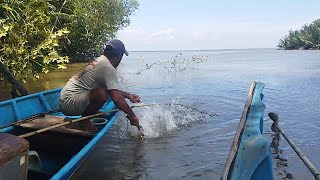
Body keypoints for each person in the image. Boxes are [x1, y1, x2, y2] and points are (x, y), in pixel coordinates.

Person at [59, 39, 141, 131]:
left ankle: (91, 110)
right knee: (101, 94)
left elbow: (112, 90)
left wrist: (128, 95)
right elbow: (117, 99)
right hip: (69, 104)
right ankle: (84, 120)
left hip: (66, 99)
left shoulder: (100, 61)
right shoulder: (108, 68)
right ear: (119, 55)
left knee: (104, 91)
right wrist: (132, 115)